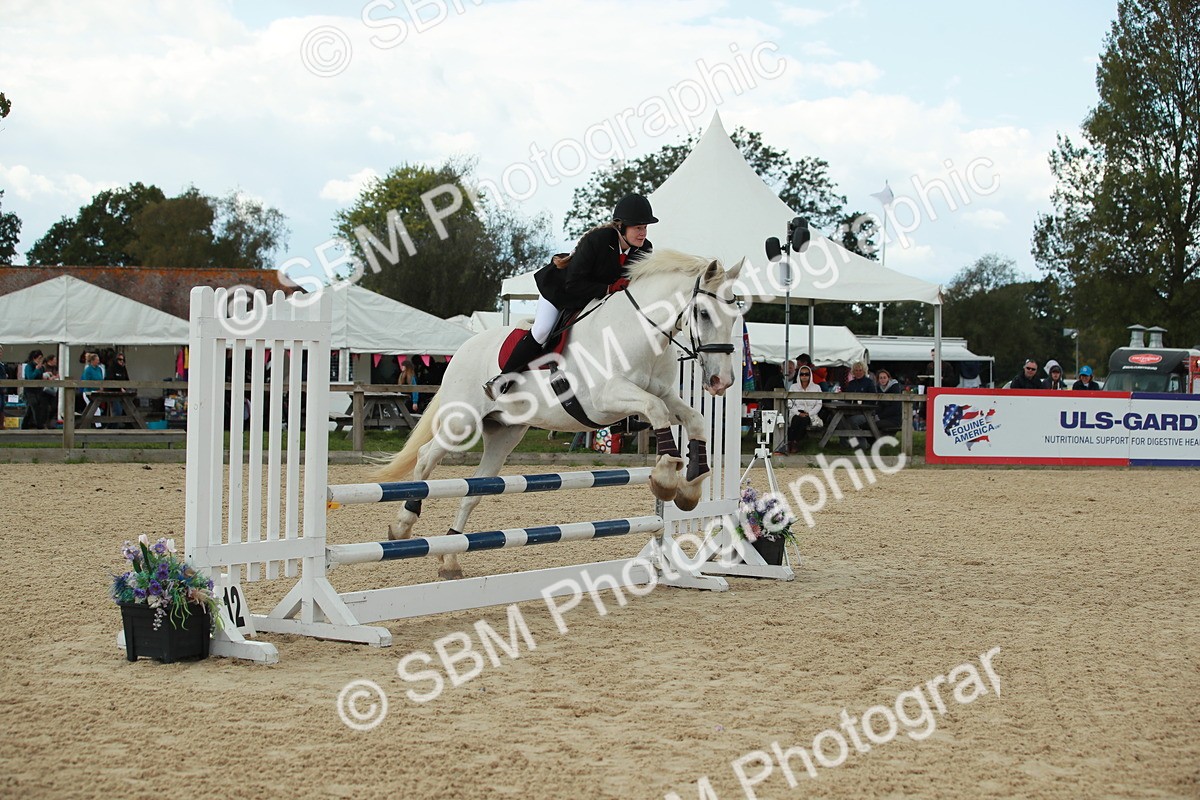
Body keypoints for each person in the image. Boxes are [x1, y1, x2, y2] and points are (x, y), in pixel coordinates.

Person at [484, 193, 657, 398]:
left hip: (592, 300)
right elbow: (573, 283)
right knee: (542, 331)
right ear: (621, 226)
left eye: (645, 227)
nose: (643, 233)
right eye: (638, 227)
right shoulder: (598, 240)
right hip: (561, 291)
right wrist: (608, 289)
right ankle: (502, 380)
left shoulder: (644, 249)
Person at [777, 364, 823, 454]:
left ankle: (793, 442)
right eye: (802, 374)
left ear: (810, 375)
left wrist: (810, 413)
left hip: (810, 413)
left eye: (806, 374)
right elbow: (790, 403)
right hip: (796, 412)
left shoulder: (816, 387)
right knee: (797, 420)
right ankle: (792, 442)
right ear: (799, 375)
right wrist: (798, 413)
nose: (804, 376)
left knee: (804, 420)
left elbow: (819, 404)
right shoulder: (794, 387)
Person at [842, 360, 877, 434]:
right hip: (851, 411)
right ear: (853, 372)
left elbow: (873, 400)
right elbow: (847, 399)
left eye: (860, 370)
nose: (858, 372)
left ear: (864, 371)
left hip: (866, 413)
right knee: (840, 421)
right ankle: (847, 443)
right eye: (856, 370)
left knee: (852, 421)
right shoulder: (851, 384)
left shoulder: (869, 383)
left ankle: (861, 444)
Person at [874, 367, 903, 432]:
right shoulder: (878, 389)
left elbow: (895, 408)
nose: (882, 380)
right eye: (880, 378)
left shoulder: (895, 388)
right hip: (883, 418)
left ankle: (876, 441)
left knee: (872, 425)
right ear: (878, 380)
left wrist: (879, 416)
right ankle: (857, 442)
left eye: (884, 377)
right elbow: (879, 406)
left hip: (894, 419)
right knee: (866, 425)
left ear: (888, 378)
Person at [21, 350, 45, 429]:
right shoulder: (29, 366)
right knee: (34, 406)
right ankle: (39, 425)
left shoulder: (41, 367)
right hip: (30, 391)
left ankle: (24, 426)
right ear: (35, 358)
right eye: (39, 358)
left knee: (30, 409)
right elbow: (30, 377)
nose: (40, 360)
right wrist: (37, 369)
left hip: (38, 390)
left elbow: (41, 377)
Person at [81, 351, 105, 426]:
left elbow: (101, 379)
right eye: (97, 360)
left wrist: (101, 388)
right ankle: (97, 426)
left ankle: (92, 425)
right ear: (92, 361)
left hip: (97, 392)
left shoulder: (99, 369)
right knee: (95, 410)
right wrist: (94, 388)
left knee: (95, 409)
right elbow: (86, 382)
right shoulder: (88, 370)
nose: (98, 361)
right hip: (88, 392)